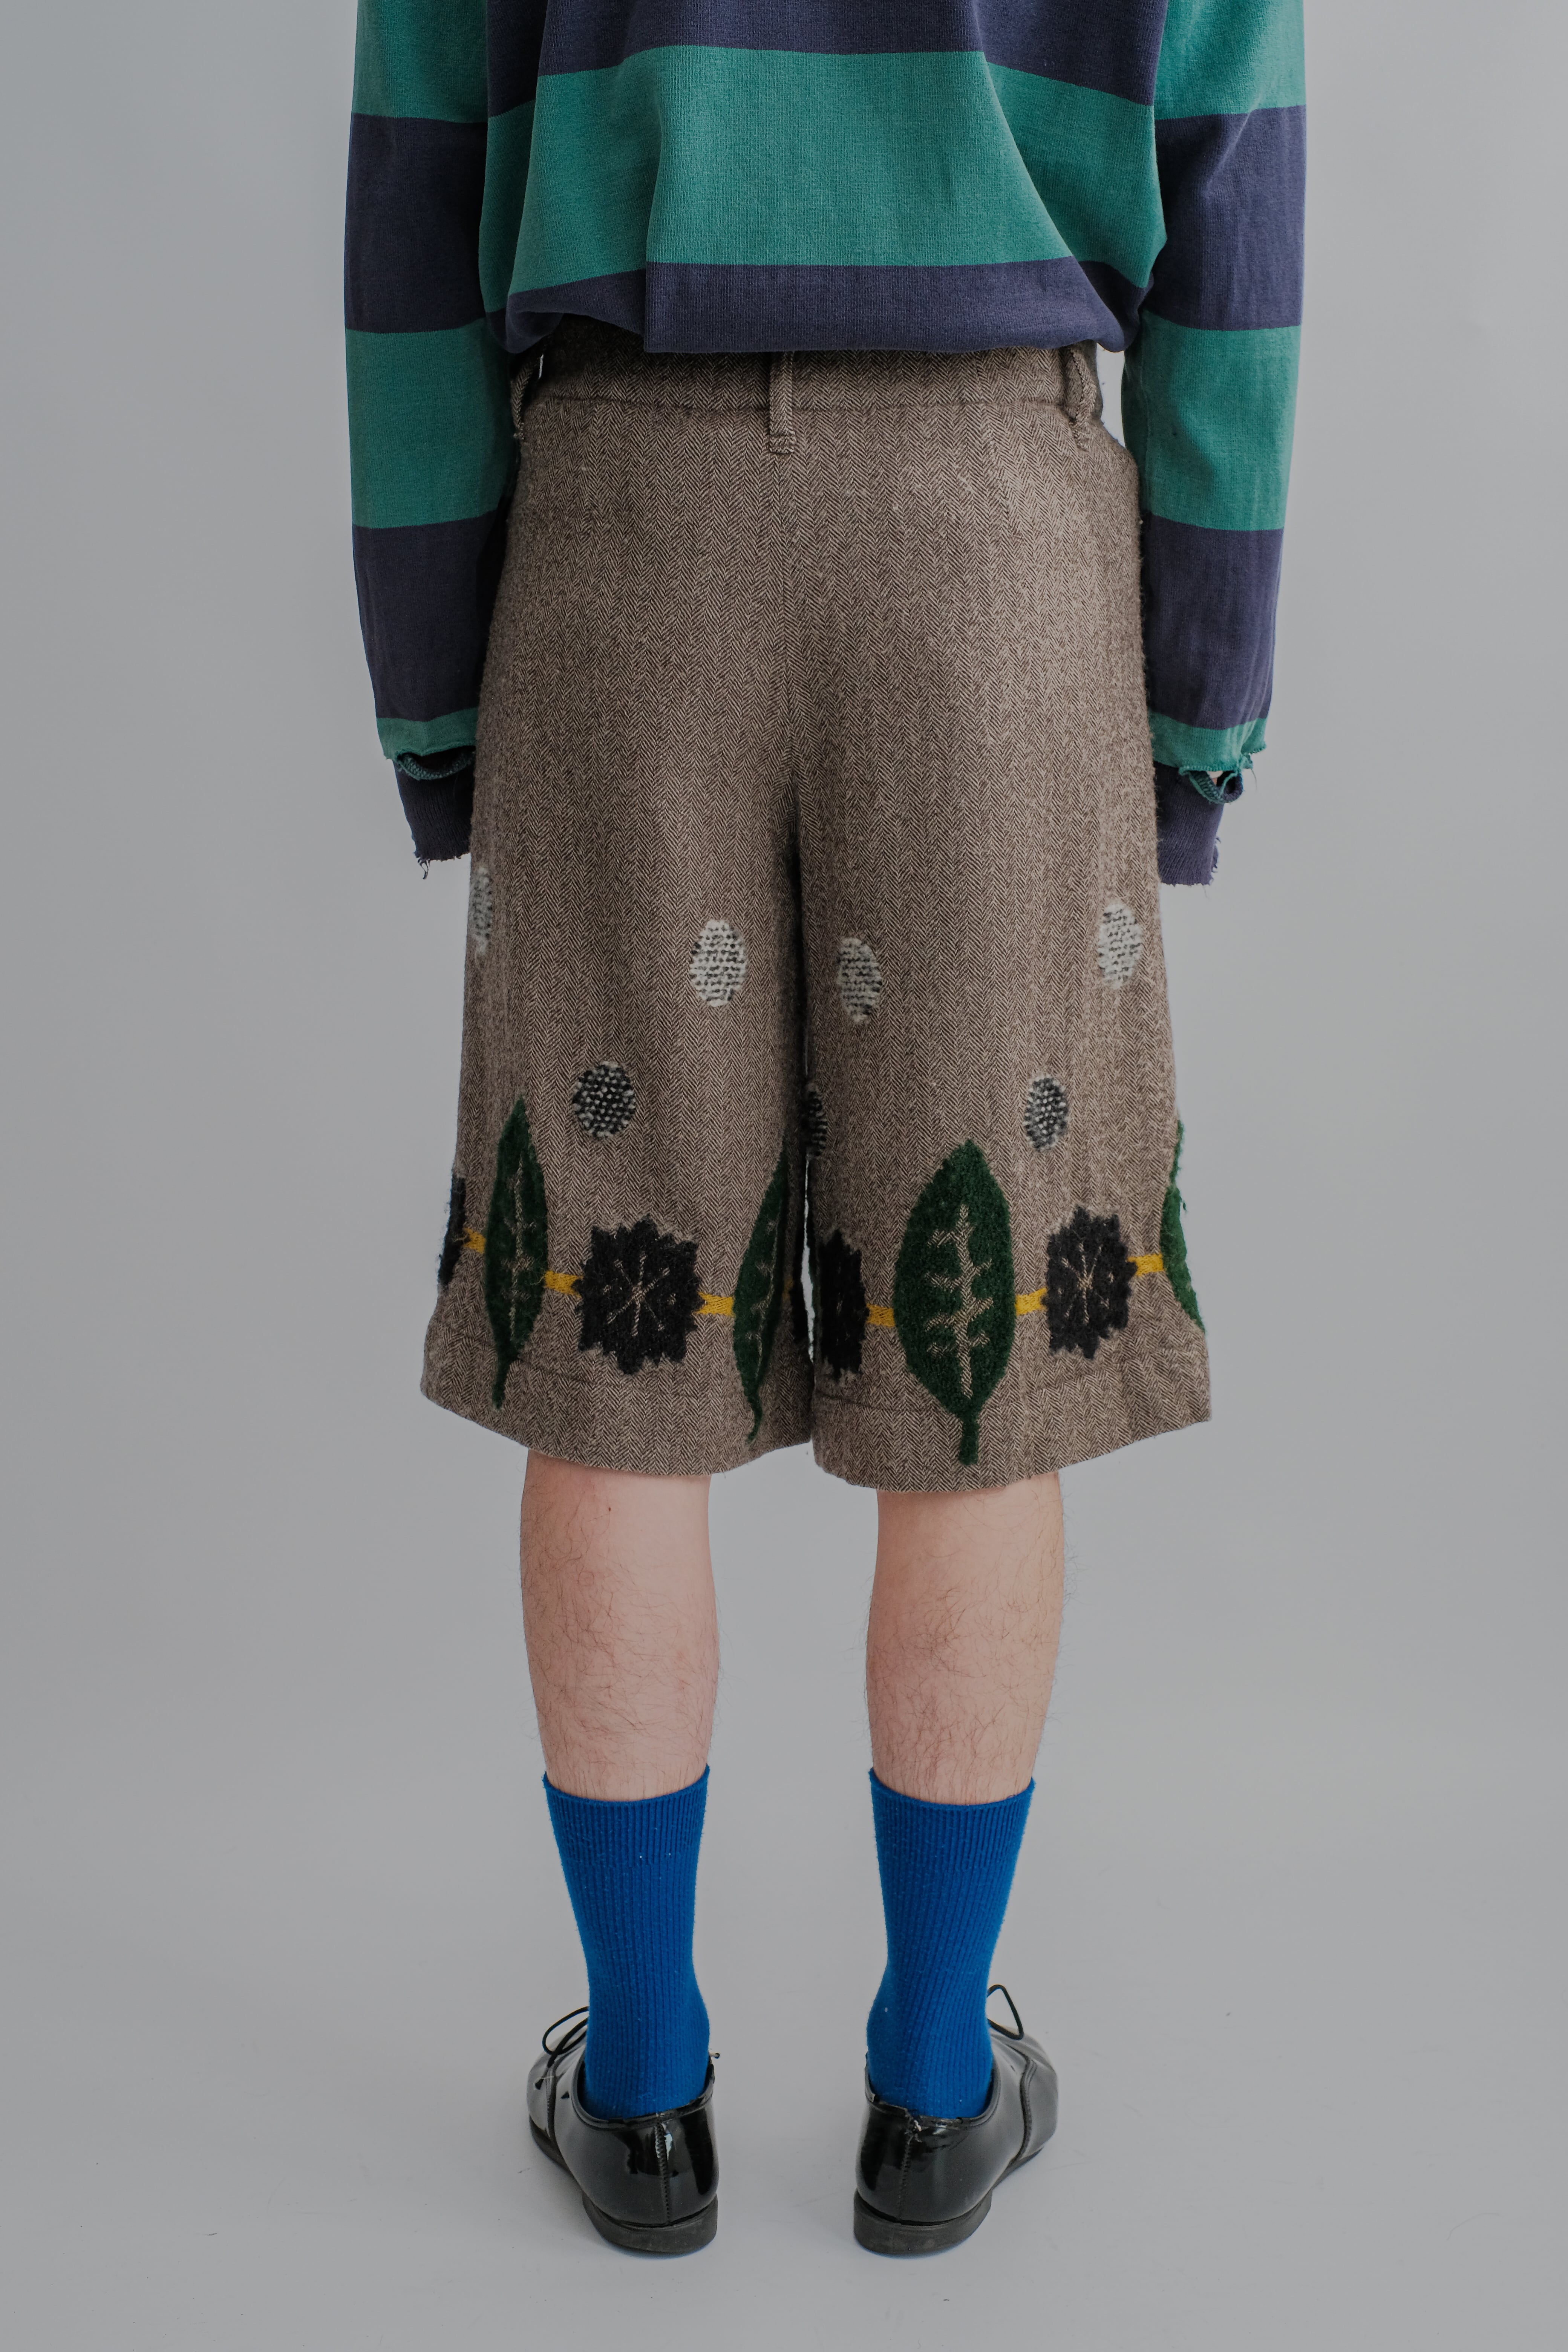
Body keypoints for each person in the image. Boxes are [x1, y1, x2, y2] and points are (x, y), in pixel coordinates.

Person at [344, 0, 1303, 2259]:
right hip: (998, 533)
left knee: (618, 1319)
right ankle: (937, 2094)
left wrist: (437, 692)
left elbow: (419, 181)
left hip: (625, 530)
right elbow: (1236, 195)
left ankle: (643, 2099)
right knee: (977, 1343)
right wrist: (1196, 711)